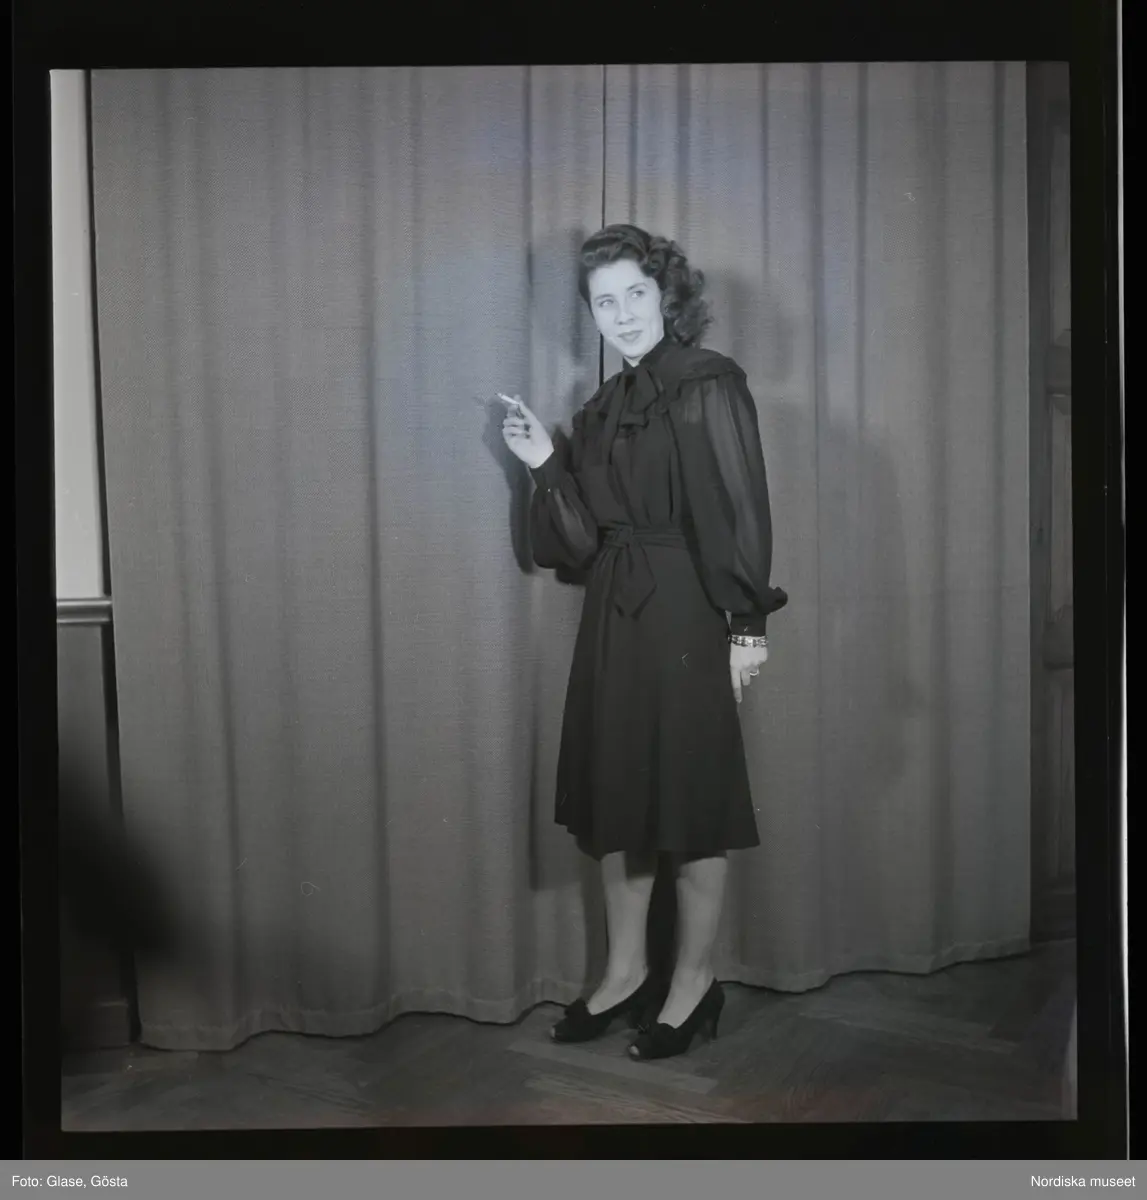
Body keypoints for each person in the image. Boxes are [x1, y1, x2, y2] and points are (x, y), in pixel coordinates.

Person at [501, 224, 787, 1061]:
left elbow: (737, 506)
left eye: (635, 294)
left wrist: (746, 624)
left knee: (690, 807)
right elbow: (576, 547)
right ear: (589, 314)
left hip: (689, 614)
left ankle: (693, 985)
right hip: (613, 620)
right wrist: (542, 463)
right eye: (604, 302)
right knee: (618, 805)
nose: (622, 314)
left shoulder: (707, 381)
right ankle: (625, 975)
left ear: (666, 295)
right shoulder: (598, 411)